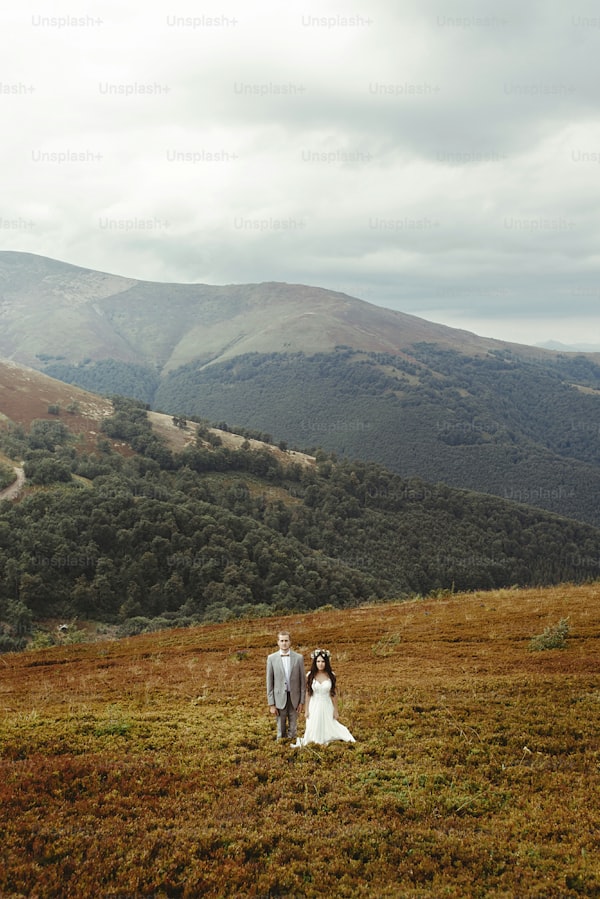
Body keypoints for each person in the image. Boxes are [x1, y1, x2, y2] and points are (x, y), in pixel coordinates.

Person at [292, 648, 355, 747]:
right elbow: (308, 693)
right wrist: (306, 709)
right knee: (313, 724)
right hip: (314, 704)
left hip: (326, 704)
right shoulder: (310, 675)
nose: (320, 664)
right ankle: (314, 741)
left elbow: (333, 693)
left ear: (326, 662)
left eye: (322, 661)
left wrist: (336, 710)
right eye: (318, 661)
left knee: (329, 724)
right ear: (315, 662)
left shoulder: (331, 675)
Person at [266, 630, 305, 741]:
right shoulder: (271, 658)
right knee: (281, 728)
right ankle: (281, 750)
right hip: (279, 699)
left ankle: (292, 750)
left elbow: (303, 681)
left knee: (293, 729)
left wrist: (302, 702)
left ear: (290, 642)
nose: (284, 643)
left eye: (286, 641)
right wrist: (271, 704)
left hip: (295, 699)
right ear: (278, 642)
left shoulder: (299, 658)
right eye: (282, 641)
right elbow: (269, 682)